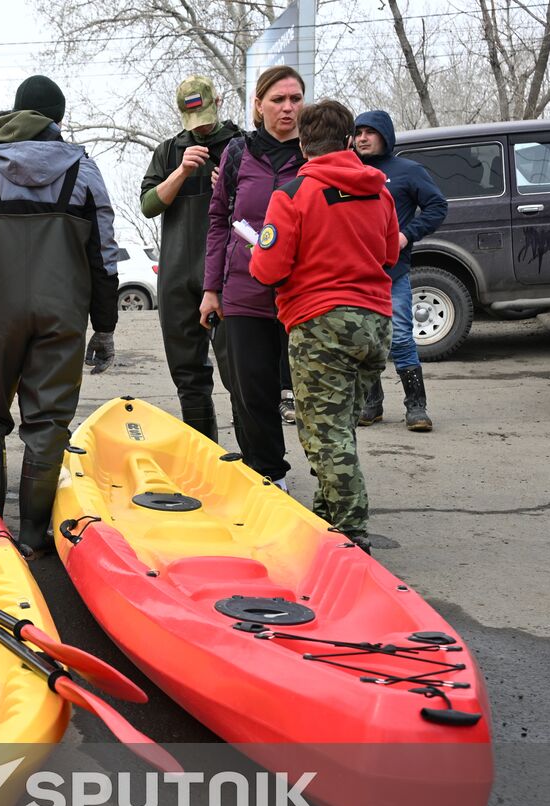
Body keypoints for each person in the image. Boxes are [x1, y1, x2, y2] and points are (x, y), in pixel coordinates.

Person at [0, 75, 119, 558]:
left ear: (16, 113)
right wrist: (104, 326)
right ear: (56, 121)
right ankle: (32, 535)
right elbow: (104, 254)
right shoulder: (84, 170)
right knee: (48, 423)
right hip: (61, 316)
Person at [249, 99, 398, 551]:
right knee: (340, 426)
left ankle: (351, 534)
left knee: (323, 432)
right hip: (375, 324)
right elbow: (390, 255)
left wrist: (259, 250)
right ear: (350, 140)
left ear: (303, 144)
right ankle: (328, 514)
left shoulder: (293, 195)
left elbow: (269, 269)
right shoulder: (380, 191)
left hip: (321, 324)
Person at [201, 65, 306, 489]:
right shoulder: (237, 154)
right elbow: (219, 222)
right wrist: (211, 289)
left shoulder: (317, 152)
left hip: (304, 293)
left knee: (314, 393)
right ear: (257, 105)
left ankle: (333, 482)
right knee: (252, 392)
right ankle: (269, 474)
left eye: (295, 99)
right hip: (244, 292)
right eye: (278, 99)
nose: (288, 108)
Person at [138, 75, 242, 442]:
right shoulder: (168, 151)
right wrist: (181, 172)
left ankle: (256, 462)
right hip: (178, 276)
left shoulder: (241, 144)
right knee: (187, 372)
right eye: (194, 120)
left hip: (229, 274)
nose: (202, 127)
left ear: (220, 101)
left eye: (207, 117)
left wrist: (229, 186)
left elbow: (264, 204)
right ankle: (206, 453)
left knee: (239, 372)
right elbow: (149, 205)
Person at [354, 109, 447, 432]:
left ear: (385, 136)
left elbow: (437, 206)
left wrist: (407, 234)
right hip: (354, 276)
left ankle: (416, 407)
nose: (362, 138)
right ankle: (372, 403)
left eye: (370, 132)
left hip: (393, 274)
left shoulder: (407, 171)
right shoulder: (348, 170)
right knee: (363, 341)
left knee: (402, 340)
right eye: (358, 132)